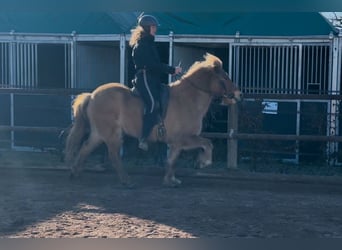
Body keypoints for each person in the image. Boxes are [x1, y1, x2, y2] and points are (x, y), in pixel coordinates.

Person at [129, 14, 182, 151]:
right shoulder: (142, 45)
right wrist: (171, 70)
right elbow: (152, 65)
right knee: (152, 104)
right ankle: (143, 138)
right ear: (146, 28)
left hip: (153, 78)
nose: (155, 29)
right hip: (145, 78)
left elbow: (156, 64)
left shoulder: (149, 43)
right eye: (153, 27)